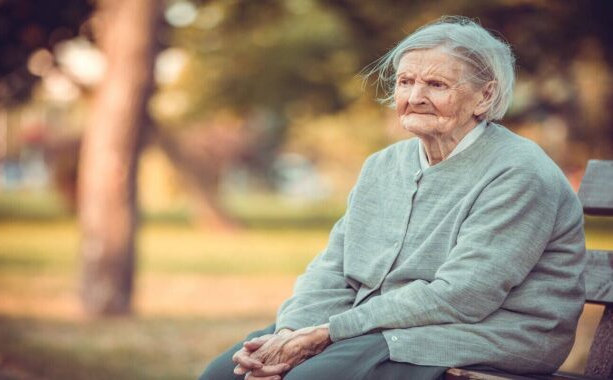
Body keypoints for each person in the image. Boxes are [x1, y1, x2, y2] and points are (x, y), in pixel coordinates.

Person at [199, 16, 586, 380]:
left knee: (311, 376)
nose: (415, 96)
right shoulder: (383, 166)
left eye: (436, 85)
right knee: (224, 373)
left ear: (484, 97)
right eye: (405, 82)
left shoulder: (518, 172)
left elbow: (463, 296)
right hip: (373, 324)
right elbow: (333, 268)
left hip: (489, 330)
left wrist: (329, 332)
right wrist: (290, 329)